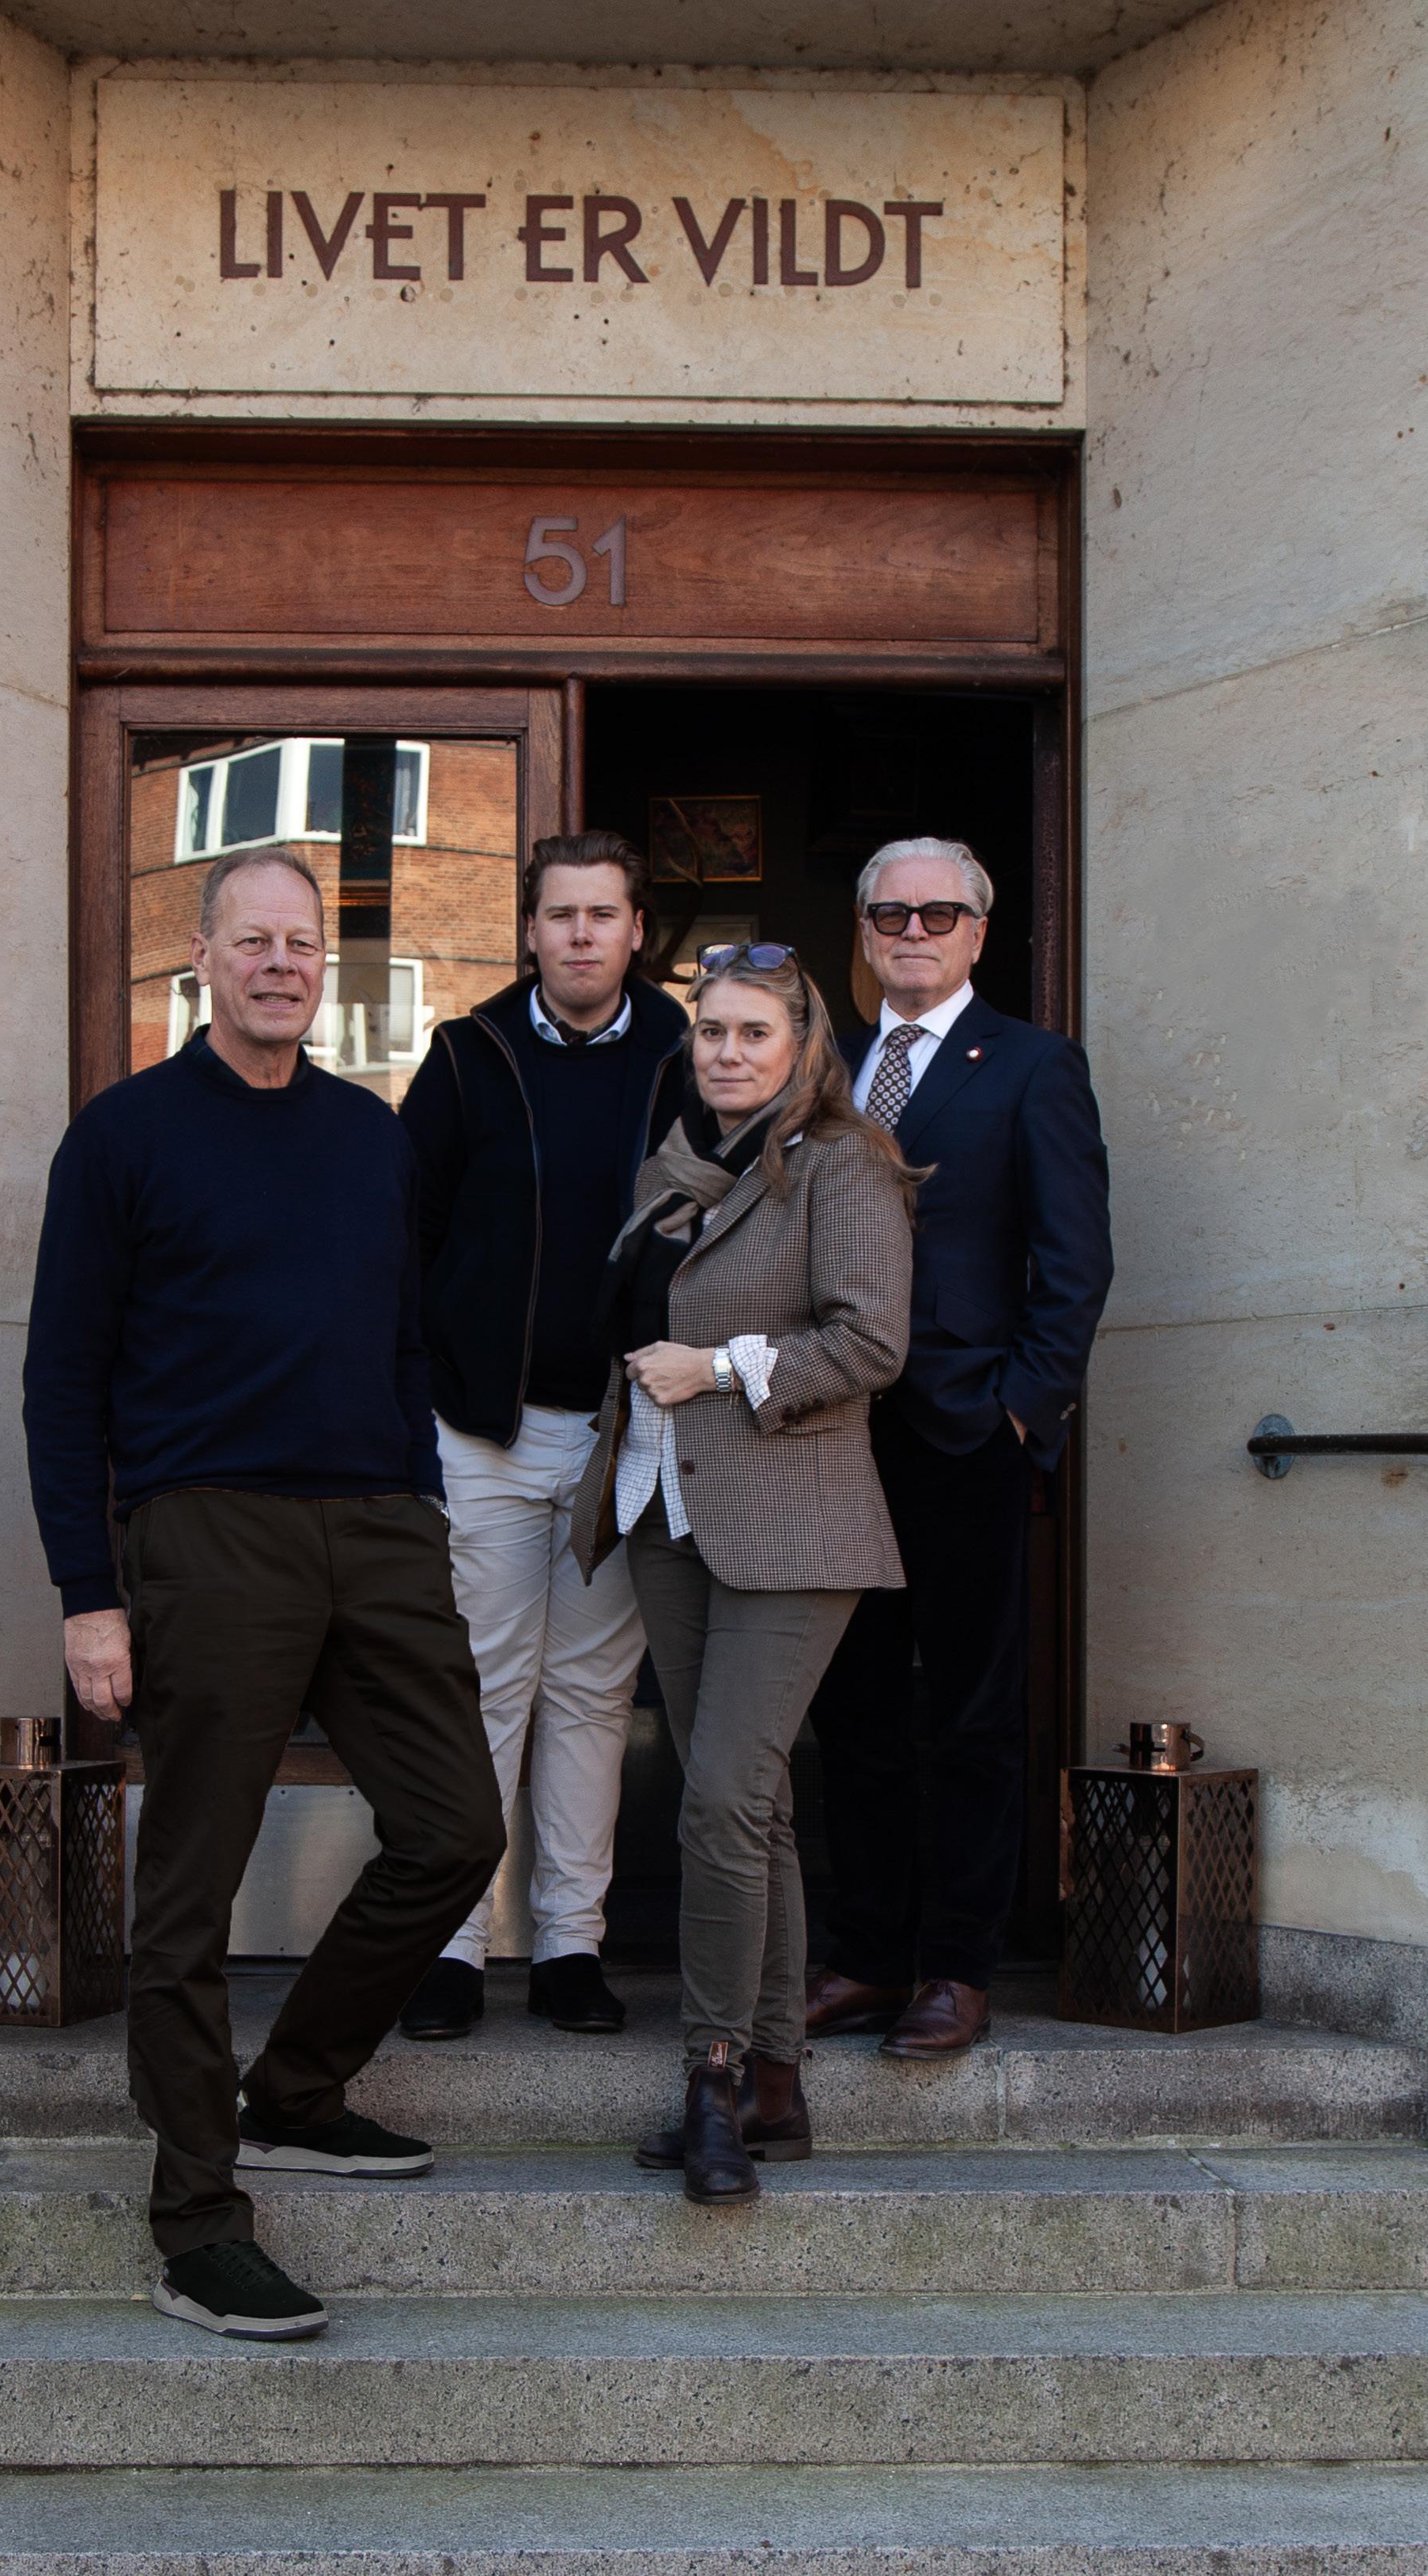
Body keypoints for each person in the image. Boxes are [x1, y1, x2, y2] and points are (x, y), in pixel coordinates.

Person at [21, 844, 503, 2345]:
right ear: (203, 956)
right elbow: (62, 1380)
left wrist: (417, 1492)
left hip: (378, 1525)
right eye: (254, 941)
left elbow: (404, 1336)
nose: (283, 964)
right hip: (209, 1531)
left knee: (455, 1828)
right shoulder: (125, 1137)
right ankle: (196, 2223)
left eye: (303, 943)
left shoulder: (369, 1136)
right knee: (189, 1898)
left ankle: (293, 2090)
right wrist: (89, 1593)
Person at [569, 943, 914, 2203]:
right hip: (668, 1511)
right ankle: (775, 2088)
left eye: (753, 1033)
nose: (726, 1052)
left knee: (717, 1801)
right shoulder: (680, 1167)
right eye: (710, 1030)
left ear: (802, 1045)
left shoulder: (844, 1163)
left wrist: (715, 1370)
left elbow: (871, 1343)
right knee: (751, 1809)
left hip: (793, 1521)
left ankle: (709, 2073)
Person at [806, 836, 1113, 2059]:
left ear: (980, 932)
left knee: (974, 1714)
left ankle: (958, 1968)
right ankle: (869, 1957)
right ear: (866, 929)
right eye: (892, 914)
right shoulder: (821, 1067)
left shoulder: (1034, 1066)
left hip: (964, 1436)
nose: (914, 932)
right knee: (854, 1709)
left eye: (940, 914)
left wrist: (1022, 1412)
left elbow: (1074, 1261)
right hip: (833, 1439)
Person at [397, 832, 687, 2040]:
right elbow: (404, 1238)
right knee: (485, 1688)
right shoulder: (468, 1056)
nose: (580, 935)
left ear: (635, 931)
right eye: (560, 915)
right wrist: (419, 1397)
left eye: (603, 914)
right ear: (529, 931)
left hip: (625, 1432)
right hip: (489, 1432)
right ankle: (454, 1947)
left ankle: (572, 1946)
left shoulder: (686, 1055)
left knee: (591, 1696)